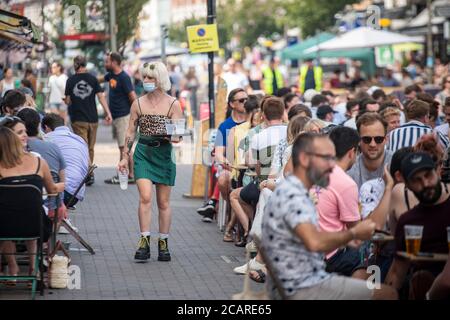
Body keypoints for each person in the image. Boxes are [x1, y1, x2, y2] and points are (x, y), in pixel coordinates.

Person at [261, 132, 397, 300]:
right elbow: (314, 242)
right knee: (388, 293)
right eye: (327, 158)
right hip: (303, 286)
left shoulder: (292, 189)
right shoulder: (294, 195)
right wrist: (353, 234)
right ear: (304, 159)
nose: (332, 166)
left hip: (297, 281)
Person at [118, 61, 183, 262]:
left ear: (160, 80)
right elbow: (130, 131)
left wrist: (171, 135)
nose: (145, 80)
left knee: (163, 202)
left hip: (164, 154)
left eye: (150, 77)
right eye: (144, 77)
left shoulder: (173, 104)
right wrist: (124, 155)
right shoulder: (137, 103)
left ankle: (163, 242)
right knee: (145, 197)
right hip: (143, 152)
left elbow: (178, 134)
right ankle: (144, 240)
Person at [317, 126, 394, 278]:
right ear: (352, 152)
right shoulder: (345, 182)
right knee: (370, 254)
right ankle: (368, 292)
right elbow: (358, 231)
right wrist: (389, 187)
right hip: (328, 255)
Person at [0, 126, 64, 284]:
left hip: (3, 227)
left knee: (8, 214)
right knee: (29, 212)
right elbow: (53, 189)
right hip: (35, 226)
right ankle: (33, 269)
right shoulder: (38, 162)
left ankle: (11, 268)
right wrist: (63, 184)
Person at [385, 152, 450, 300]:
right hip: (423, 285)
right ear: (407, 185)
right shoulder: (408, 221)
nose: (426, 184)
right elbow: (397, 272)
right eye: (417, 180)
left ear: (438, 172)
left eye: (428, 175)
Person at [196, 88, 248, 220]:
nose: (245, 103)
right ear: (232, 104)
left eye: (247, 100)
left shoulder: (253, 123)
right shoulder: (224, 126)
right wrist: (231, 167)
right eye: (241, 100)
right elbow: (219, 154)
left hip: (251, 166)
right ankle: (231, 211)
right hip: (231, 167)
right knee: (223, 179)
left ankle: (218, 206)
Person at [64, 55, 112, 185]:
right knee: (90, 148)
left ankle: (88, 173)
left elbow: (68, 101)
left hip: (78, 119)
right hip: (93, 119)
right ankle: (88, 173)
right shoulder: (93, 79)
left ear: (76, 65)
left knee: (83, 148)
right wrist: (108, 113)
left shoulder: (70, 80)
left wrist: (67, 100)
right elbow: (101, 97)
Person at [101, 52, 137, 184]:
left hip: (123, 116)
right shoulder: (111, 75)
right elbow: (99, 79)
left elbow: (132, 96)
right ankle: (127, 174)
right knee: (123, 147)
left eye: (107, 62)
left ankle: (129, 175)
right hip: (116, 116)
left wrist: (136, 114)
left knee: (125, 147)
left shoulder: (124, 78)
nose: (105, 64)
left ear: (114, 62)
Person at [42, 113, 89, 210]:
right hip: (76, 194)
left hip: (62, 193)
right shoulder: (79, 139)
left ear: (46, 128)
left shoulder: (47, 139)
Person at [347, 113, 393, 189]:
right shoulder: (350, 168)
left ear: (386, 140)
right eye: (367, 139)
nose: (372, 144)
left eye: (378, 139)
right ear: (358, 140)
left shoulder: (395, 164)